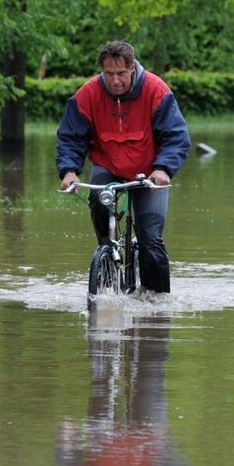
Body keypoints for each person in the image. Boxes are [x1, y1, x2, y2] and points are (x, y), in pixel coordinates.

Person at [56, 41, 191, 293]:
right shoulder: (88, 94)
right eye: (108, 74)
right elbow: (70, 137)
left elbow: (177, 136)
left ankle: (158, 305)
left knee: (151, 239)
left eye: (120, 73)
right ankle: (107, 255)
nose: (114, 80)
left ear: (132, 68)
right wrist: (69, 171)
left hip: (149, 172)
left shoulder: (155, 90)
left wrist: (163, 168)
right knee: (97, 198)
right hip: (108, 164)